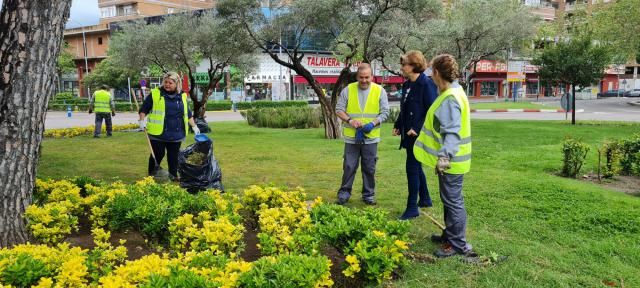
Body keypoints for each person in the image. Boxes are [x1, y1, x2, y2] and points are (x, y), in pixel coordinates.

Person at [413, 54, 475, 258]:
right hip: (456, 160)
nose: (430, 76)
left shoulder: (450, 98)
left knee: (453, 202)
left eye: (431, 72)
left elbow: (452, 132)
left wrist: (444, 158)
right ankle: (449, 235)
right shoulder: (454, 90)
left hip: (452, 162)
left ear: (437, 72)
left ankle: (458, 244)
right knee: (450, 200)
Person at [335, 63, 390, 205]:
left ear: (372, 76)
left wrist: (373, 123)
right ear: (357, 76)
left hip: (370, 138)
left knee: (369, 168)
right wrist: (350, 120)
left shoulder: (380, 91)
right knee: (349, 166)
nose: (364, 80)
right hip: (352, 137)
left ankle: (368, 195)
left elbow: (385, 112)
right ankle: (344, 193)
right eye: (361, 77)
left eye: (367, 77)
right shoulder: (348, 90)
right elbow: (339, 109)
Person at [393, 51, 438, 220]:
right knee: (416, 167)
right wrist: (398, 124)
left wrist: (417, 128)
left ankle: (412, 207)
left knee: (412, 168)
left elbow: (431, 110)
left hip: (418, 135)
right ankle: (425, 199)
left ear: (414, 65)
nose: (402, 67)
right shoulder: (407, 85)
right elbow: (404, 108)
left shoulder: (426, 84)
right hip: (407, 134)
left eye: (404, 64)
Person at [138, 72, 201, 182]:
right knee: (158, 154)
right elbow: (144, 109)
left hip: (176, 133)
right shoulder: (155, 94)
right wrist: (141, 121)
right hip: (158, 133)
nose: (167, 84)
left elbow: (187, 114)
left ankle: (173, 175)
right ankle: (151, 175)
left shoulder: (182, 96)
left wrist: (194, 126)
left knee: (174, 156)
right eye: (165, 82)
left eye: (170, 83)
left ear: (177, 84)